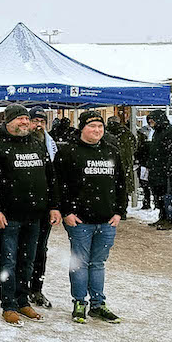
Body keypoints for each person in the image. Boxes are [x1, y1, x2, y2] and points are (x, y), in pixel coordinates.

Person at [0, 105, 61, 326]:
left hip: (35, 215)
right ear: (8, 122)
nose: (25, 122)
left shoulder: (37, 145)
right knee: (8, 261)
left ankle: (22, 299)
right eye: (20, 119)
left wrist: (54, 206)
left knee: (27, 260)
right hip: (9, 216)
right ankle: (8, 304)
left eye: (27, 118)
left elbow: (50, 177)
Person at [54, 110, 126, 323]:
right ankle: (79, 302)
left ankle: (98, 304)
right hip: (80, 220)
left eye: (100, 127)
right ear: (82, 128)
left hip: (106, 220)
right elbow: (59, 185)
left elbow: (121, 184)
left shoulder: (112, 152)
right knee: (79, 262)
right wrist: (66, 211)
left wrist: (119, 212)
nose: (97, 130)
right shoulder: (68, 152)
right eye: (92, 126)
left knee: (98, 263)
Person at [27, 105, 57, 308]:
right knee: (23, 249)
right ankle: (19, 289)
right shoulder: (23, 142)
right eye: (35, 121)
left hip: (45, 206)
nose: (38, 125)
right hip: (24, 206)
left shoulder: (51, 145)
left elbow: (56, 177)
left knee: (40, 249)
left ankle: (36, 288)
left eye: (42, 121)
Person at [146, 109, 172, 231]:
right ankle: (162, 216)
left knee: (167, 195)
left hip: (166, 171)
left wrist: (169, 168)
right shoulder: (157, 132)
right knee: (158, 194)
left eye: (152, 120)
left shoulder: (171, 132)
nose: (151, 123)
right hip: (156, 169)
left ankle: (170, 220)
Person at [106, 116, 137, 206]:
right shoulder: (127, 133)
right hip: (125, 163)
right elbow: (134, 146)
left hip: (110, 163)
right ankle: (123, 209)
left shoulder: (106, 133)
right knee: (124, 188)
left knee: (110, 188)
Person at [135, 122, 154, 210]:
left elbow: (138, 155)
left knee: (145, 186)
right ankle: (150, 202)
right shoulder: (151, 144)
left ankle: (147, 202)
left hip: (144, 166)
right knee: (148, 186)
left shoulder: (142, 145)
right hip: (148, 166)